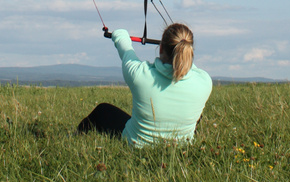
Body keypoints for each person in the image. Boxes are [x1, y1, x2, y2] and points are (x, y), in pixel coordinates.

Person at [76, 22, 212, 146]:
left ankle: (74, 139)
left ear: (160, 49)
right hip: (180, 147)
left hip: (136, 144)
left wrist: (120, 34)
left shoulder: (140, 74)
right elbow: (190, 68)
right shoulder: (205, 81)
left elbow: (126, 50)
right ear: (189, 52)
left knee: (103, 110)